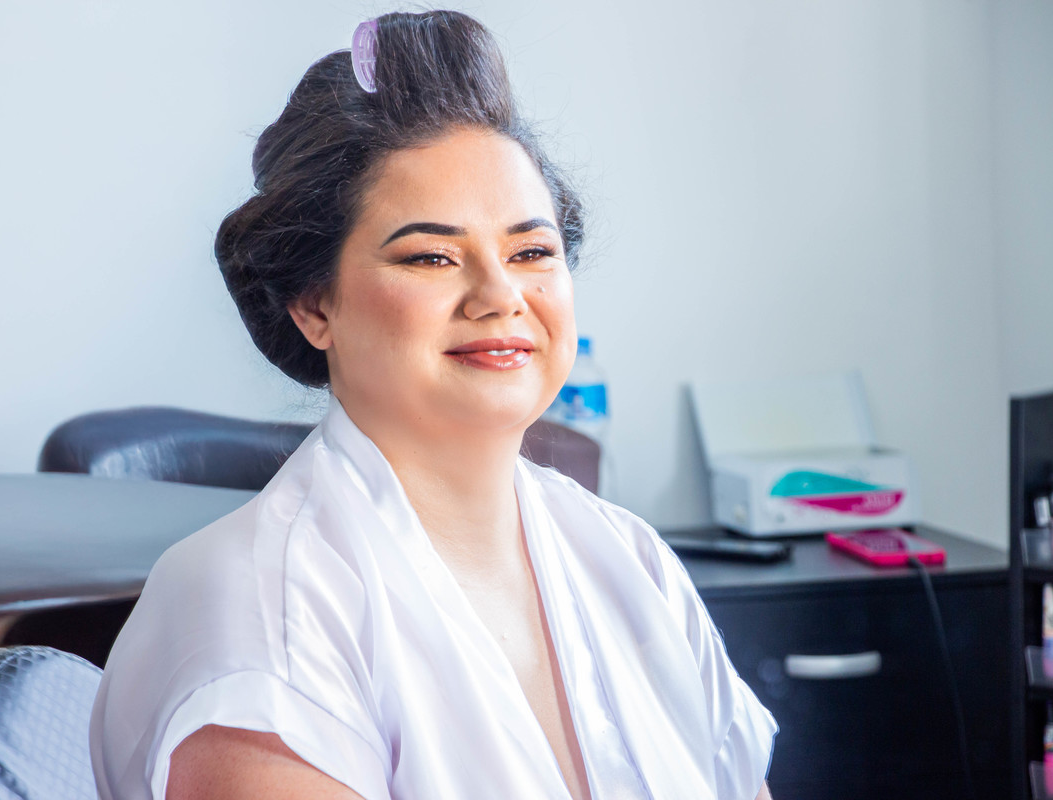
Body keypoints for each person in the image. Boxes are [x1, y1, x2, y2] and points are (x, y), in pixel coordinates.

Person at [90, 10, 776, 800]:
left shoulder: (632, 561)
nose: (500, 295)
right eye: (432, 257)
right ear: (313, 305)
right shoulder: (253, 606)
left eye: (531, 251)